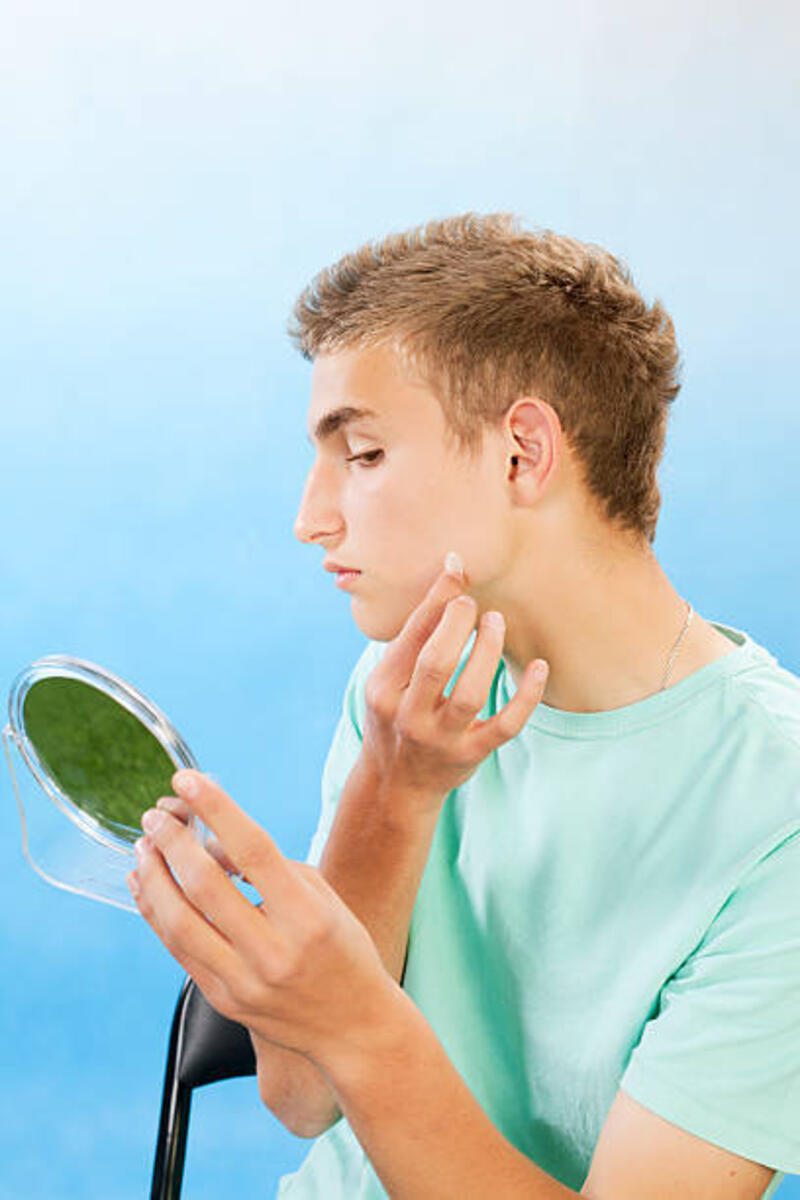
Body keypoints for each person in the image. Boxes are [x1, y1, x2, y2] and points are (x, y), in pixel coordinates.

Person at [131, 213, 800, 1199]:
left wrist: (354, 1014)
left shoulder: (772, 810)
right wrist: (393, 791)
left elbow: (344, 1047)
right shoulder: (406, 694)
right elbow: (302, 1096)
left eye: (360, 456)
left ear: (521, 454)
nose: (309, 518)